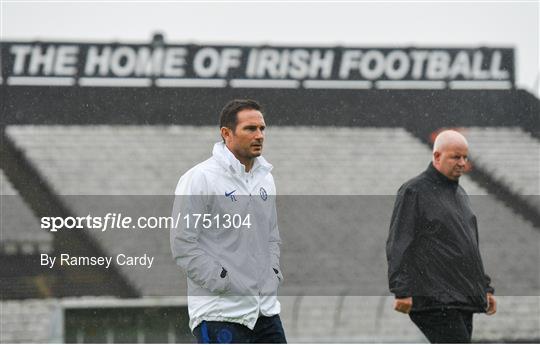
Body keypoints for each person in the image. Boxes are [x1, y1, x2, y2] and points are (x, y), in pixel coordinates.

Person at [170, 99, 286, 343]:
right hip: (219, 314)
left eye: (262, 129)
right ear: (226, 133)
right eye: (250, 129)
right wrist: (224, 281)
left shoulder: (266, 179)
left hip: (265, 312)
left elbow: (271, 237)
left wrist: (272, 273)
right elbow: (182, 244)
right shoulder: (200, 178)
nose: (259, 135)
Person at [386, 130, 496, 343]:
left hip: (460, 299)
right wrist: (401, 290)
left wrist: (484, 288)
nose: (462, 162)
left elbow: (469, 248)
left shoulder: (460, 194)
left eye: (465, 157)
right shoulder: (414, 191)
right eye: (456, 156)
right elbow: (399, 242)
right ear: (437, 156)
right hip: (434, 299)